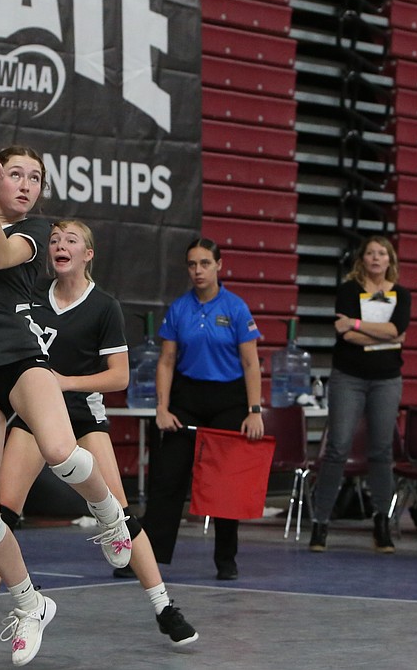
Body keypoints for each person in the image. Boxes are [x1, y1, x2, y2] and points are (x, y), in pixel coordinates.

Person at [0, 220, 198, 648]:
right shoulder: (31, 296)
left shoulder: (104, 307)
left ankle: (164, 606)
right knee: (0, 513)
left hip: (82, 415)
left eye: (70, 240)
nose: (59, 245)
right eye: (54, 240)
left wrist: (64, 382)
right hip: (32, 409)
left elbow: (118, 377)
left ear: (87, 254)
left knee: (123, 513)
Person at [0, 147, 132, 667]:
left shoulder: (33, 227)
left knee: (62, 450)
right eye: (14, 174)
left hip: (20, 358)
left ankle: (110, 516)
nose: (26, 185)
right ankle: (29, 603)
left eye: (35, 177)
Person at [140, 237, 265, 581]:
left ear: (219, 266)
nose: (198, 271)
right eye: (192, 264)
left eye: (205, 263)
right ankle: (148, 559)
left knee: (225, 482)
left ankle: (227, 560)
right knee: (167, 477)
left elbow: (251, 363)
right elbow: (166, 362)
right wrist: (162, 408)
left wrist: (254, 410)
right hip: (187, 397)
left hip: (229, 399)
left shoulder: (236, 308)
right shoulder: (179, 308)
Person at [308, 235, 412, 554]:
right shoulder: (349, 290)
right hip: (349, 377)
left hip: (386, 379)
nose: (376, 258)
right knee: (337, 447)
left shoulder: (401, 294)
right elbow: (347, 335)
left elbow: (397, 331)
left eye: (382, 253)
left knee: (381, 451)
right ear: (362, 259)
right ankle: (321, 521)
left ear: (390, 259)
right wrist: (375, 331)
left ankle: (382, 521)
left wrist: (357, 323)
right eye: (371, 253)